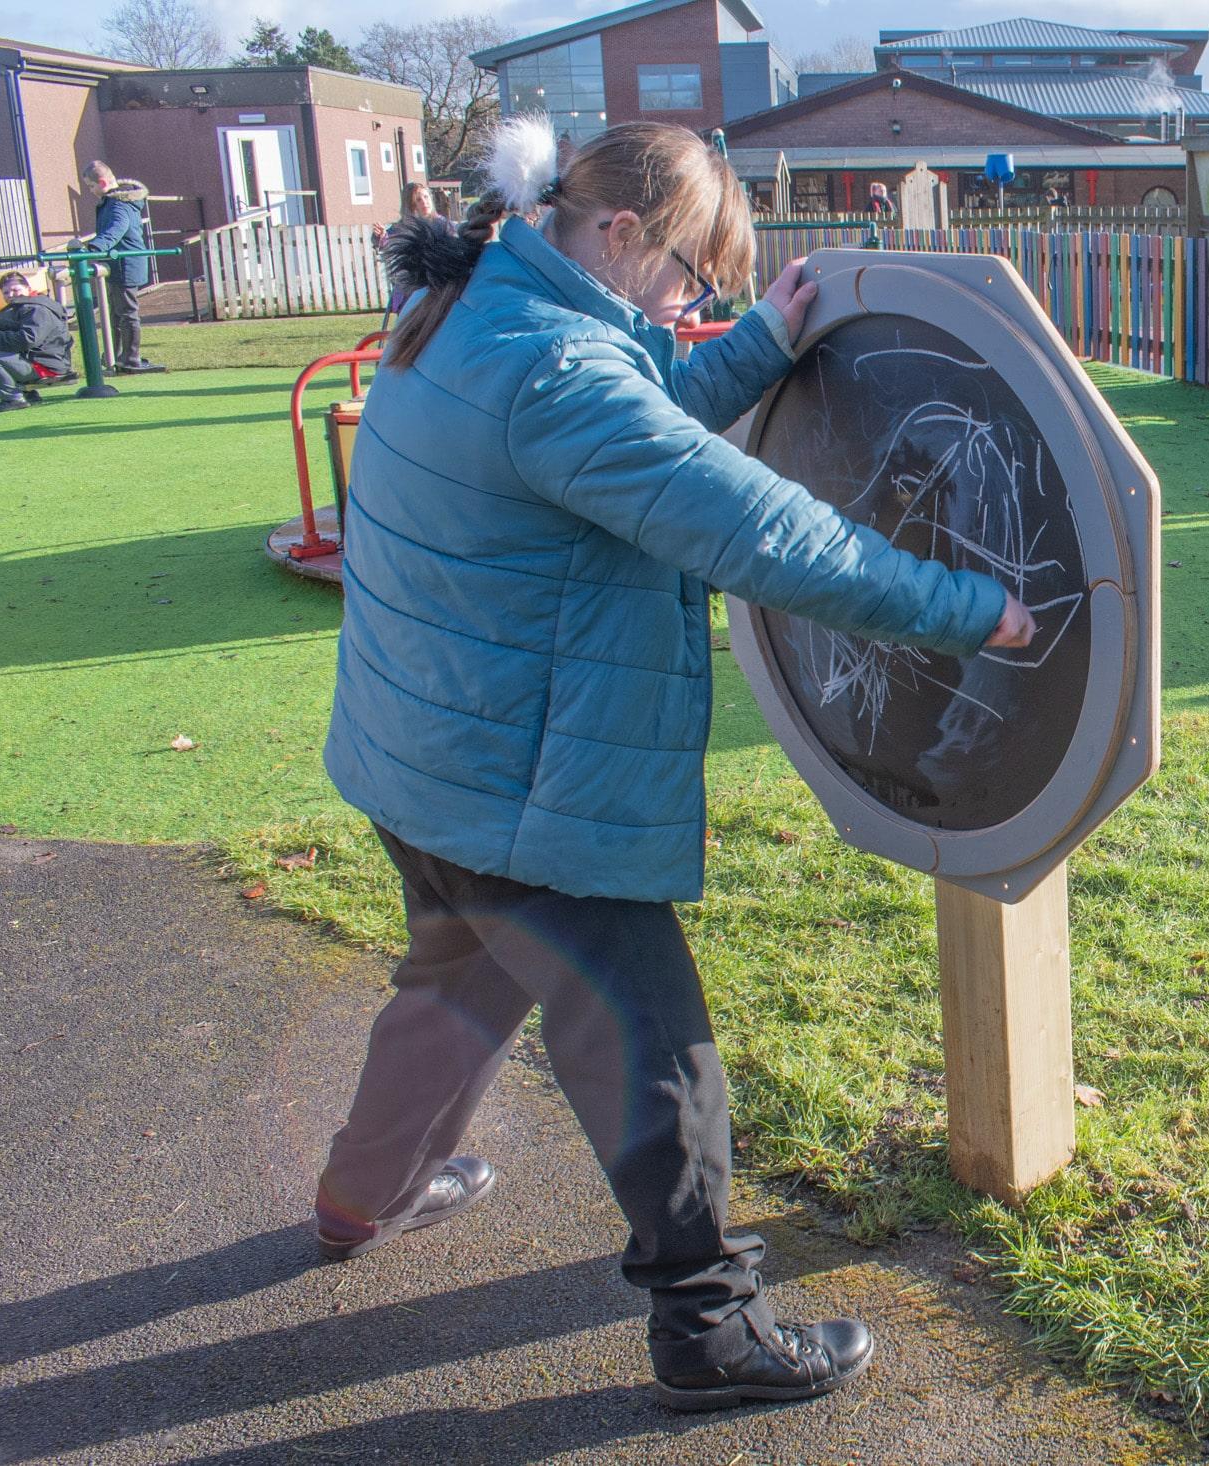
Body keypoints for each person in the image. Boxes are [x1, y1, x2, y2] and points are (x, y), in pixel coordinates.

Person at [312, 114, 1035, 1413]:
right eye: (693, 278)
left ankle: (366, 1189)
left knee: (456, 985)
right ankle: (709, 1327)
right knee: (656, 1051)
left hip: (419, 758)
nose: (691, 303)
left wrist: (753, 346)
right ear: (624, 231)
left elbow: (619, 433)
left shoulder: (466, 304)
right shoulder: (553, 371)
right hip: (523, 789)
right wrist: (964, 606)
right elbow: (755, 530)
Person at [79, 160, 163, 374]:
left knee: (127, 312)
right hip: (117, 264)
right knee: (115, 313)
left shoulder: (119, 204)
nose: (90, 191)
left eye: (90, 186)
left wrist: (96, 247)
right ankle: (115, 355)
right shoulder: (112, 202)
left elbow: (117, 228)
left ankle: (131, 359)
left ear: (102, 182)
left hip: (126, 264)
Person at [0, 271, 74, 413]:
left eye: (16, 290)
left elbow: (28, 339)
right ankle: (29, 394)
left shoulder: (36, 309)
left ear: (28, 288)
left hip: (46, 366)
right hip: (44, 361)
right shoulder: (28, 305)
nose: (11, 295)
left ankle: (13, 398)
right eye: (6, 293)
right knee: (1, 350)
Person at [379, 183, 454, 313]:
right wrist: (380, 237)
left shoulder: (443, 225)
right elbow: (388, 243)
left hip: (438, 286)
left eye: (426, 197)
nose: (424, 202)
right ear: (410, 204)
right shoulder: (401, 228)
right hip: (411, 289)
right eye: (418, 199)